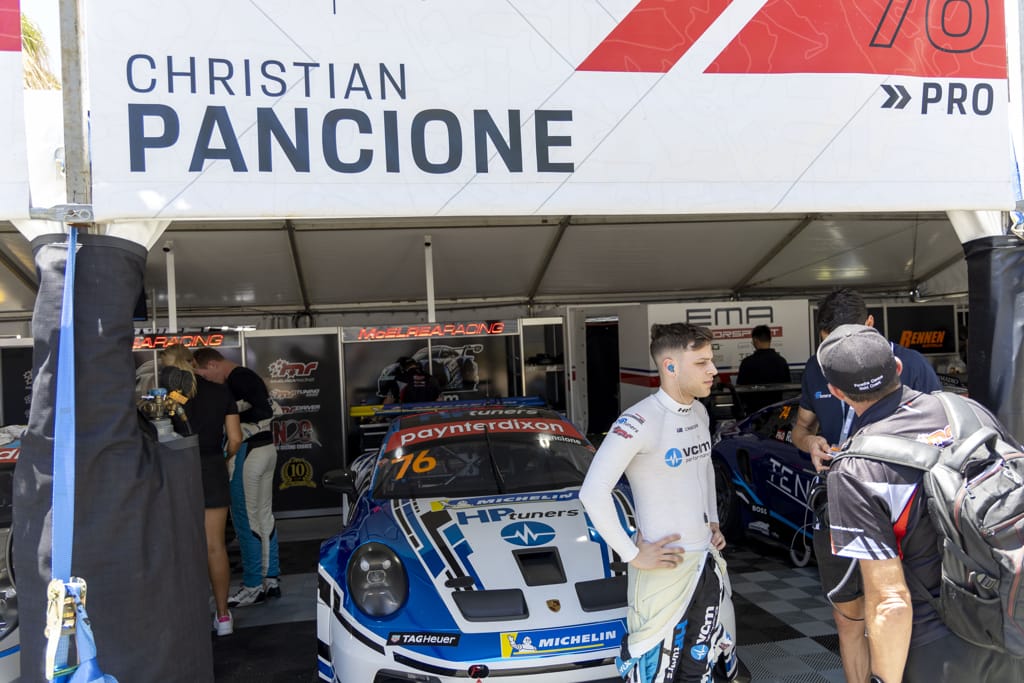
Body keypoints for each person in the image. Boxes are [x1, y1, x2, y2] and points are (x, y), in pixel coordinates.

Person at [817, 324, 1024, 682]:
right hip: (1010, 623)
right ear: (898, 367)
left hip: (935, 646)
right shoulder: (968, 412)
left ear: (836, 392)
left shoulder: (856, 468)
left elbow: (890, 601)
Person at [790, 288, 941, 683]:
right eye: (831, 344)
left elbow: (938, 431)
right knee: (850, 618)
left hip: (906, 506)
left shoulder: (913, 363)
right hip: (838, 499)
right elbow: (799, 429)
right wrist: (812, 444)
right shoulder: (816, 367)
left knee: (902, 607)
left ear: (871, 326)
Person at [580, 323, 742, 682]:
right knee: (655, 675)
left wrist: (712, 522)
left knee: (698, 672)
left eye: (711, 361)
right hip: (661, 575)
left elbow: (703, 470)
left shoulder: (700, 413)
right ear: (670, 366)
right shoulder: (639, 421)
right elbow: (592, 492)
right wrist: (632, 554)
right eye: (701, 363)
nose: (714, 370)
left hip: (704, 564)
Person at [161, 345, 242, 636]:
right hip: (211, 469)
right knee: (215, 546)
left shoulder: (168, 396)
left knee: (183, 547)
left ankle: (189, 617)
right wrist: (223, 459)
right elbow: (235, 438)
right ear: (194, 362)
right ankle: (223, 617)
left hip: (176, 471)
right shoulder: (220, 392)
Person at [193, 347, 282, 607]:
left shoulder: (236, 379)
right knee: (263, 517)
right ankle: (270, 578)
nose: (207, 382)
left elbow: (264, 412)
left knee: (246, 519)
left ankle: (254, 585)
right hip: (266, 449)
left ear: (212, 365)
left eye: (205, 376)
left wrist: (228, 410)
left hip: (249, 453)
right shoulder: (247, 377)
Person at [735, 324, 791, 412]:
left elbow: (740, 389)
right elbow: (788, 389)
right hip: (777, 412)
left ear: (755, 340)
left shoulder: (747, 362)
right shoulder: (781, 361)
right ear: (770, 340)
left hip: (754, 413)